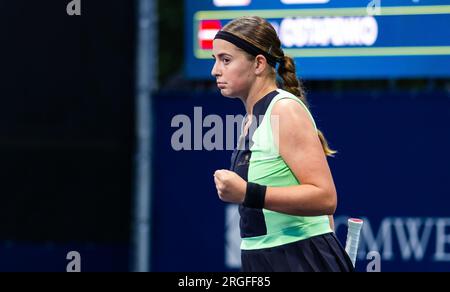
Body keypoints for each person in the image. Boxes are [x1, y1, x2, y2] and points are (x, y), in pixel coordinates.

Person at [212, 16, 353, 272]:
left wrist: (247, 193)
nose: (215, 70)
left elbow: (325, 197)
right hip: (263, 258)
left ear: (258, 64)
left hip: (298, 257)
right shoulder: (251, 120)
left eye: (226, 60)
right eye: (215, 60)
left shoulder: (284, 110)